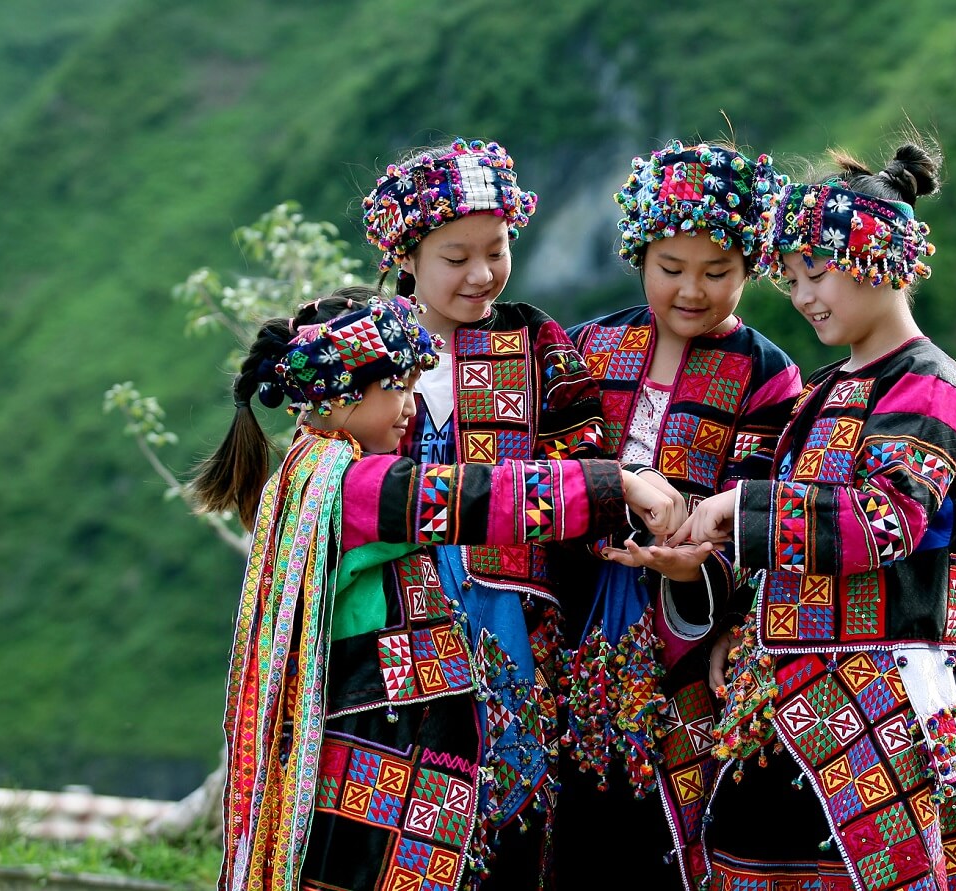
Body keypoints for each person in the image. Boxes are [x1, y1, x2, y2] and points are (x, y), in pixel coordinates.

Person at [192, 288, 684, 891]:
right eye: (395, 387)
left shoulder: (310, 471)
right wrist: (616, 485)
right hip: (379, 735)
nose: (410, 404)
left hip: (366, 726)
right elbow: (478, 498)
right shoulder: (356, 486)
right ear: (341, 392)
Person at [670, 141, 956, 890]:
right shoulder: (818, 390)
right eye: (790, 280)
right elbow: (783, 525)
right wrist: (737, 622)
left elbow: (885, 521)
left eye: (817, 273)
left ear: (880, 258)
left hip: (877, 695)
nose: (804, 295)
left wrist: (735, 510)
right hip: (777, 696)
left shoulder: (931, 385)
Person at [361, 137, 641, 886]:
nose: (483, 274)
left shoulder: (534, 340)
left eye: (498, 249)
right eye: (457, 257)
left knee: (511, 797)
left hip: (512, 617)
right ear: (406, 254)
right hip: (394, 614)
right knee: (403, 797)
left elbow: (586, 455)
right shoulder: (364, 350)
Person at [554, 140, 802, 890]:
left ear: (751, 266)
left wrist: (705, 578)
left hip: (689, 642)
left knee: (665, 829)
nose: (691, 290)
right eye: (671, 268)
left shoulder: (767, 375)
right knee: (569, 821)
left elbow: (762, 504)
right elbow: (554, 465)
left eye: (717, 272)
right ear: (639, 255)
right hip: (575, 625)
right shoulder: (590, 347)